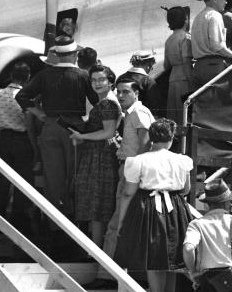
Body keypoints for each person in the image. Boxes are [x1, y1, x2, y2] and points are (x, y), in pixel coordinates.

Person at [114, 118, 192, 292]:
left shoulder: (138, 161)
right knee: (172, 257)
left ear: (151, 137)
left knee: (154, 255)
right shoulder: (182, 160)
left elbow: (128, 192)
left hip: (149, 206)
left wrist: (121, 220)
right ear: (171, 138)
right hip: (176, 206)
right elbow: (186, 189)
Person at [15, 37, 96, 215]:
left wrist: (39, 113)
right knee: (74, 176)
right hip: (74, 128)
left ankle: (55, 226)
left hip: (50, 127)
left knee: (52, 178)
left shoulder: (44, 75)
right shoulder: (83, 76)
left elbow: (21, 96)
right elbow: (97, 101)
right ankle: (75, 222)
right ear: (75, 54)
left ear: (57, 55)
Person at [99, 75, 154, 262]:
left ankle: (107, 273)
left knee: (117, 224)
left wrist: (135, 174)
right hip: (127, 169)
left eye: (126, 92)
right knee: (119, 223)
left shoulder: (139, 112)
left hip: (132, 172)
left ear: (136, 93)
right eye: (119, 92)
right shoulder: (131, 112)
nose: (121, 95)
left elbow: (145, 144)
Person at [69, 65, 122, 246]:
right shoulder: (105, 101)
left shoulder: (107, 103)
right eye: (93, 80)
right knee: (98, 204)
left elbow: (108, 132)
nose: (97, 83)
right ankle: (98, 247)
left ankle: (97, 249)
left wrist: (82, 136)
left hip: (101, 155)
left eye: (101, 80)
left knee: (97, 204)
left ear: (110, 82)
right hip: (100, 152)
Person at [0, 61, 35, 226]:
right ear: (28, 77)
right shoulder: (27, 97)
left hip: (3, 140)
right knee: (22, 182)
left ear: (11, 76)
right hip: (23, 140)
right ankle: (19, 221)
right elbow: (30, 123)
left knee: (1, 181)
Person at [189, 0, 232, 89]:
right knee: (225, 103)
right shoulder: (215, 16)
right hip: (214, 67)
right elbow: (216, 45)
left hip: (198, 68)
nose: (226, 2)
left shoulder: (197, 18)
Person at [161, 5, 194, 130]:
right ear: (185, 20)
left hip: (172, 79)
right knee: (185, 116)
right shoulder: (186, 37)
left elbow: (166, 65)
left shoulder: (169, 40)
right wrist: (192, 83)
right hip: (184, 79)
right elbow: (186, 62)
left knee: (174, 116)